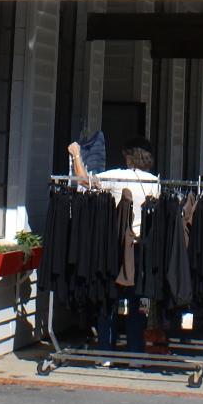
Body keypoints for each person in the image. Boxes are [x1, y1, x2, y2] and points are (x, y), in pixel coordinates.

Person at [67, 136, 158, 357]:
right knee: (137, 303)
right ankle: (136, 353)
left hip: (115, 247)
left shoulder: (118, 176)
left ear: (130, 156)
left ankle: (106, 352)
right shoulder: (154, 182)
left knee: (108, 298)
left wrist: (76, 154)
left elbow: (83, 181)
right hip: (140, 247)